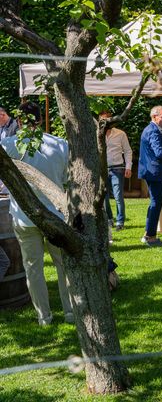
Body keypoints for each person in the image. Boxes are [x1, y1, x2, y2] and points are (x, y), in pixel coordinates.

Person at [0, 102, 73, 325]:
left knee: (33, 268)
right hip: (56, 214)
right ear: (40, 120)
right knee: (63, 266)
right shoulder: (60, 144)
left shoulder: (9, 145)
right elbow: (66, 179)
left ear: (20, 121)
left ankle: (44, 316)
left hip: (25, 215)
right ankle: (70, 312)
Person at [138, 105, 162, 247]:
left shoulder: (152, 129)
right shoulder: (153, 131)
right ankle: (150, 237)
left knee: (154, 202)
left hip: (152, 172)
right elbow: (159, 153)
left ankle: (148, 233)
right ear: (155, 117)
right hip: (155, 173)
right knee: (156, 203)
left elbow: (157, 150)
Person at [99, 111, 133, 231]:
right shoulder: (96, 134)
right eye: (101, 121)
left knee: (118, 196)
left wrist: (128, 167)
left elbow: (128, 151)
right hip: (102, 169)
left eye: (106, 120)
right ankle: (109, 219)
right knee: (104, 196)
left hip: (117, 168)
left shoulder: (120, 134)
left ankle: (120, 221)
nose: (104, 123)